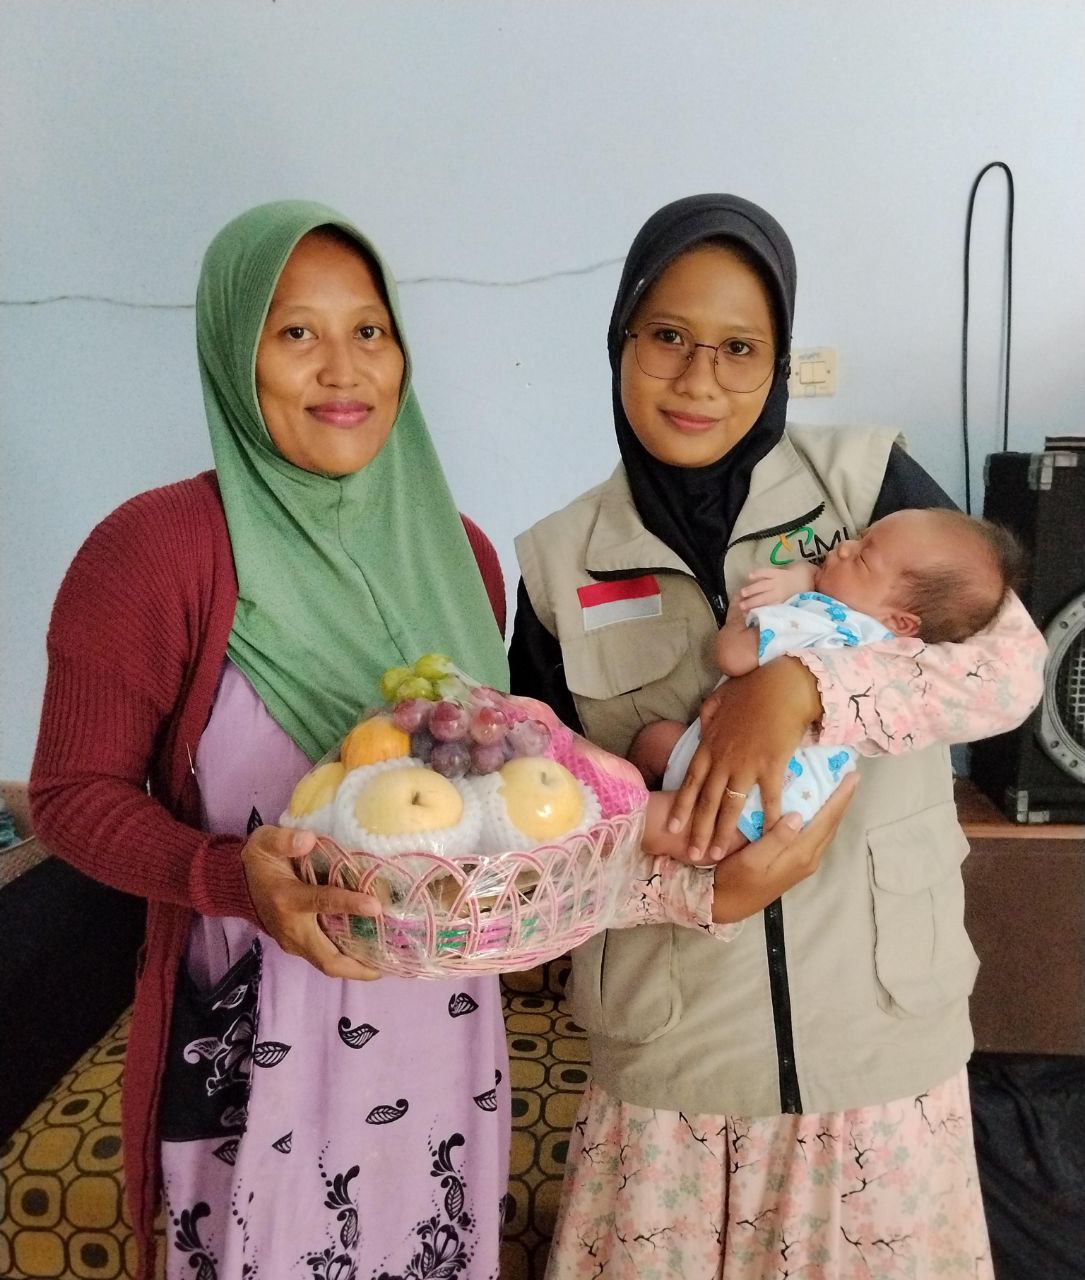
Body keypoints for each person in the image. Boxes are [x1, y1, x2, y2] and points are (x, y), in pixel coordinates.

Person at [29, 199, 852, 1280]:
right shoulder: (154, 551)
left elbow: (514, 821)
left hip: (440, 1051)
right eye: (295, 333)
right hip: (251, 1048)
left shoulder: (459, 555)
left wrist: (691, 878)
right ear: (235, 353)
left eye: (369, 329)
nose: (342, 367)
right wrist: (228, 876)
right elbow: (69, 796)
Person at [509, 194, 1047, 1277]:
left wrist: (800, 684)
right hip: (674, 1081)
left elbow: (1008, 672)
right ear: (620, 337)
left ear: (776, 360)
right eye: (666, 337)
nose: (698, 379)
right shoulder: (558, 559)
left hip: (880, 1065)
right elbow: (549, 826)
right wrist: (693, 887)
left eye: (737, 348)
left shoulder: (865, 485)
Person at [635, 507, 1024, 855]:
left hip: (753, 802)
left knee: (646, 807)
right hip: (789, 800)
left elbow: (733, 656)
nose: (842, 548)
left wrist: (740, 618)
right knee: (659, 756)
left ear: (902, 622)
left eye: (863, 557)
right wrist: (805, 577)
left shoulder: (823, 618)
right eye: (858, 537)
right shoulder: (892, 646)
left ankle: (603, 802)